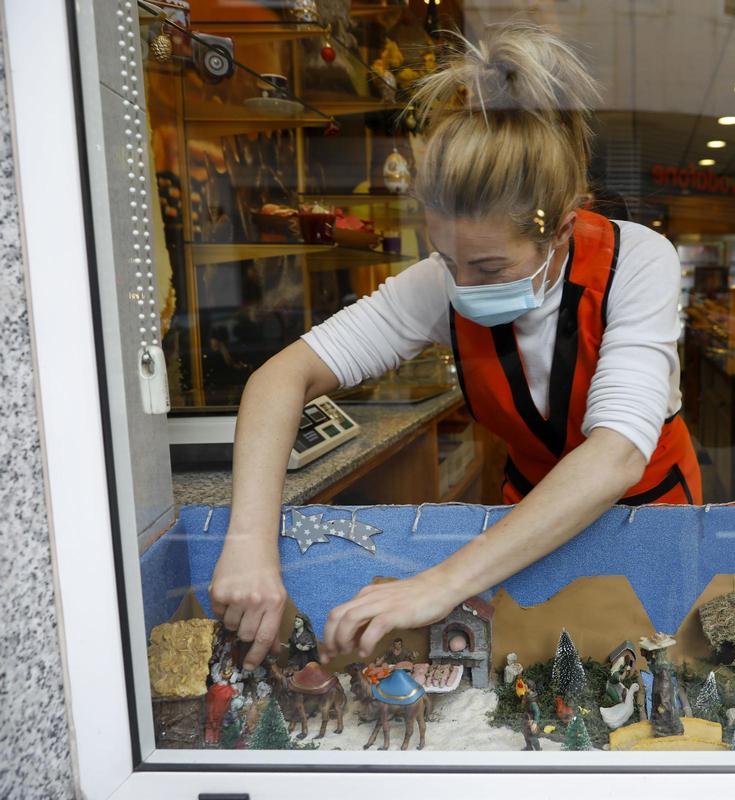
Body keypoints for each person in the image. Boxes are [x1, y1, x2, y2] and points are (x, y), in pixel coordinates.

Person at [208, 21, 702, 670]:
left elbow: (615, 455)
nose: (463, 287)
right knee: (533, 682)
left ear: (559, 229)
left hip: (650, 521)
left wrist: (439, 583)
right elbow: (281, 377)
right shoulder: (443, 283)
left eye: (490, 268)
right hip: (525, 530)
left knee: (652, 683)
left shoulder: (638, 261)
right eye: (447, 259)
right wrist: (250, 540)